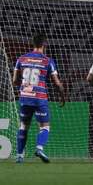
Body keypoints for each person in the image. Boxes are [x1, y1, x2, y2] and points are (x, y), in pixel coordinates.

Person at [13, 33, 65, 163]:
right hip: (39, 98)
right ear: (44, 45)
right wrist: (63, 95)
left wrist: (25, 86)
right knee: (44, 126)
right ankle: (39, 148)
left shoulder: (21, 59)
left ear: (33, 44)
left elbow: (14, 80)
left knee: (23, 126)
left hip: (25, 97)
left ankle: (19, 156)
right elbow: (57, 83)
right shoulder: (48, 61)